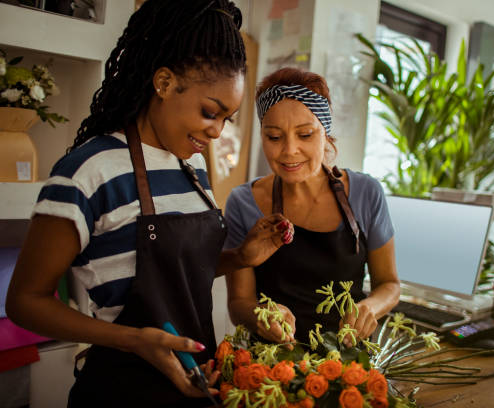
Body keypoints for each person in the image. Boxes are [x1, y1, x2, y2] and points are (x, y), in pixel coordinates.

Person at [6, 1, 293, 406]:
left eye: (226, 118)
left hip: (194, 388)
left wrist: (240, 257)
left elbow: (169, 271)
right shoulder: (90, 171)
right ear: (163, 82)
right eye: (210, 112)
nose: (216, 131)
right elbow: (24, 302)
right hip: (119, 391)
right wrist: (133, 340)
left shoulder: (192, 169)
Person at [224, 67, 400, 346]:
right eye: (274, 137)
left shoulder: (367, 193)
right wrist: (260, 315)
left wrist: (370, 308)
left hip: (347, 367)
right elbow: (238, 304)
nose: (289, 150)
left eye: (305, 134)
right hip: (271, 370)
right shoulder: (243, 202)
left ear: (325, 133)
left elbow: (389, 284)